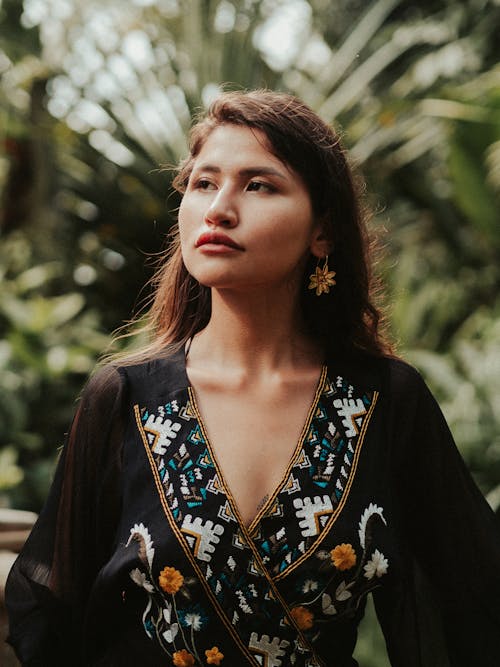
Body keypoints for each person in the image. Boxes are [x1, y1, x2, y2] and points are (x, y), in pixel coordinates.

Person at [5, 90, 500, 667]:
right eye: (203, 183)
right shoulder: (125, 398)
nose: (218, 209)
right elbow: (49, 609)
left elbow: (473, 604)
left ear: (324, 232)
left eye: (259, 185)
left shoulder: (384, 401)